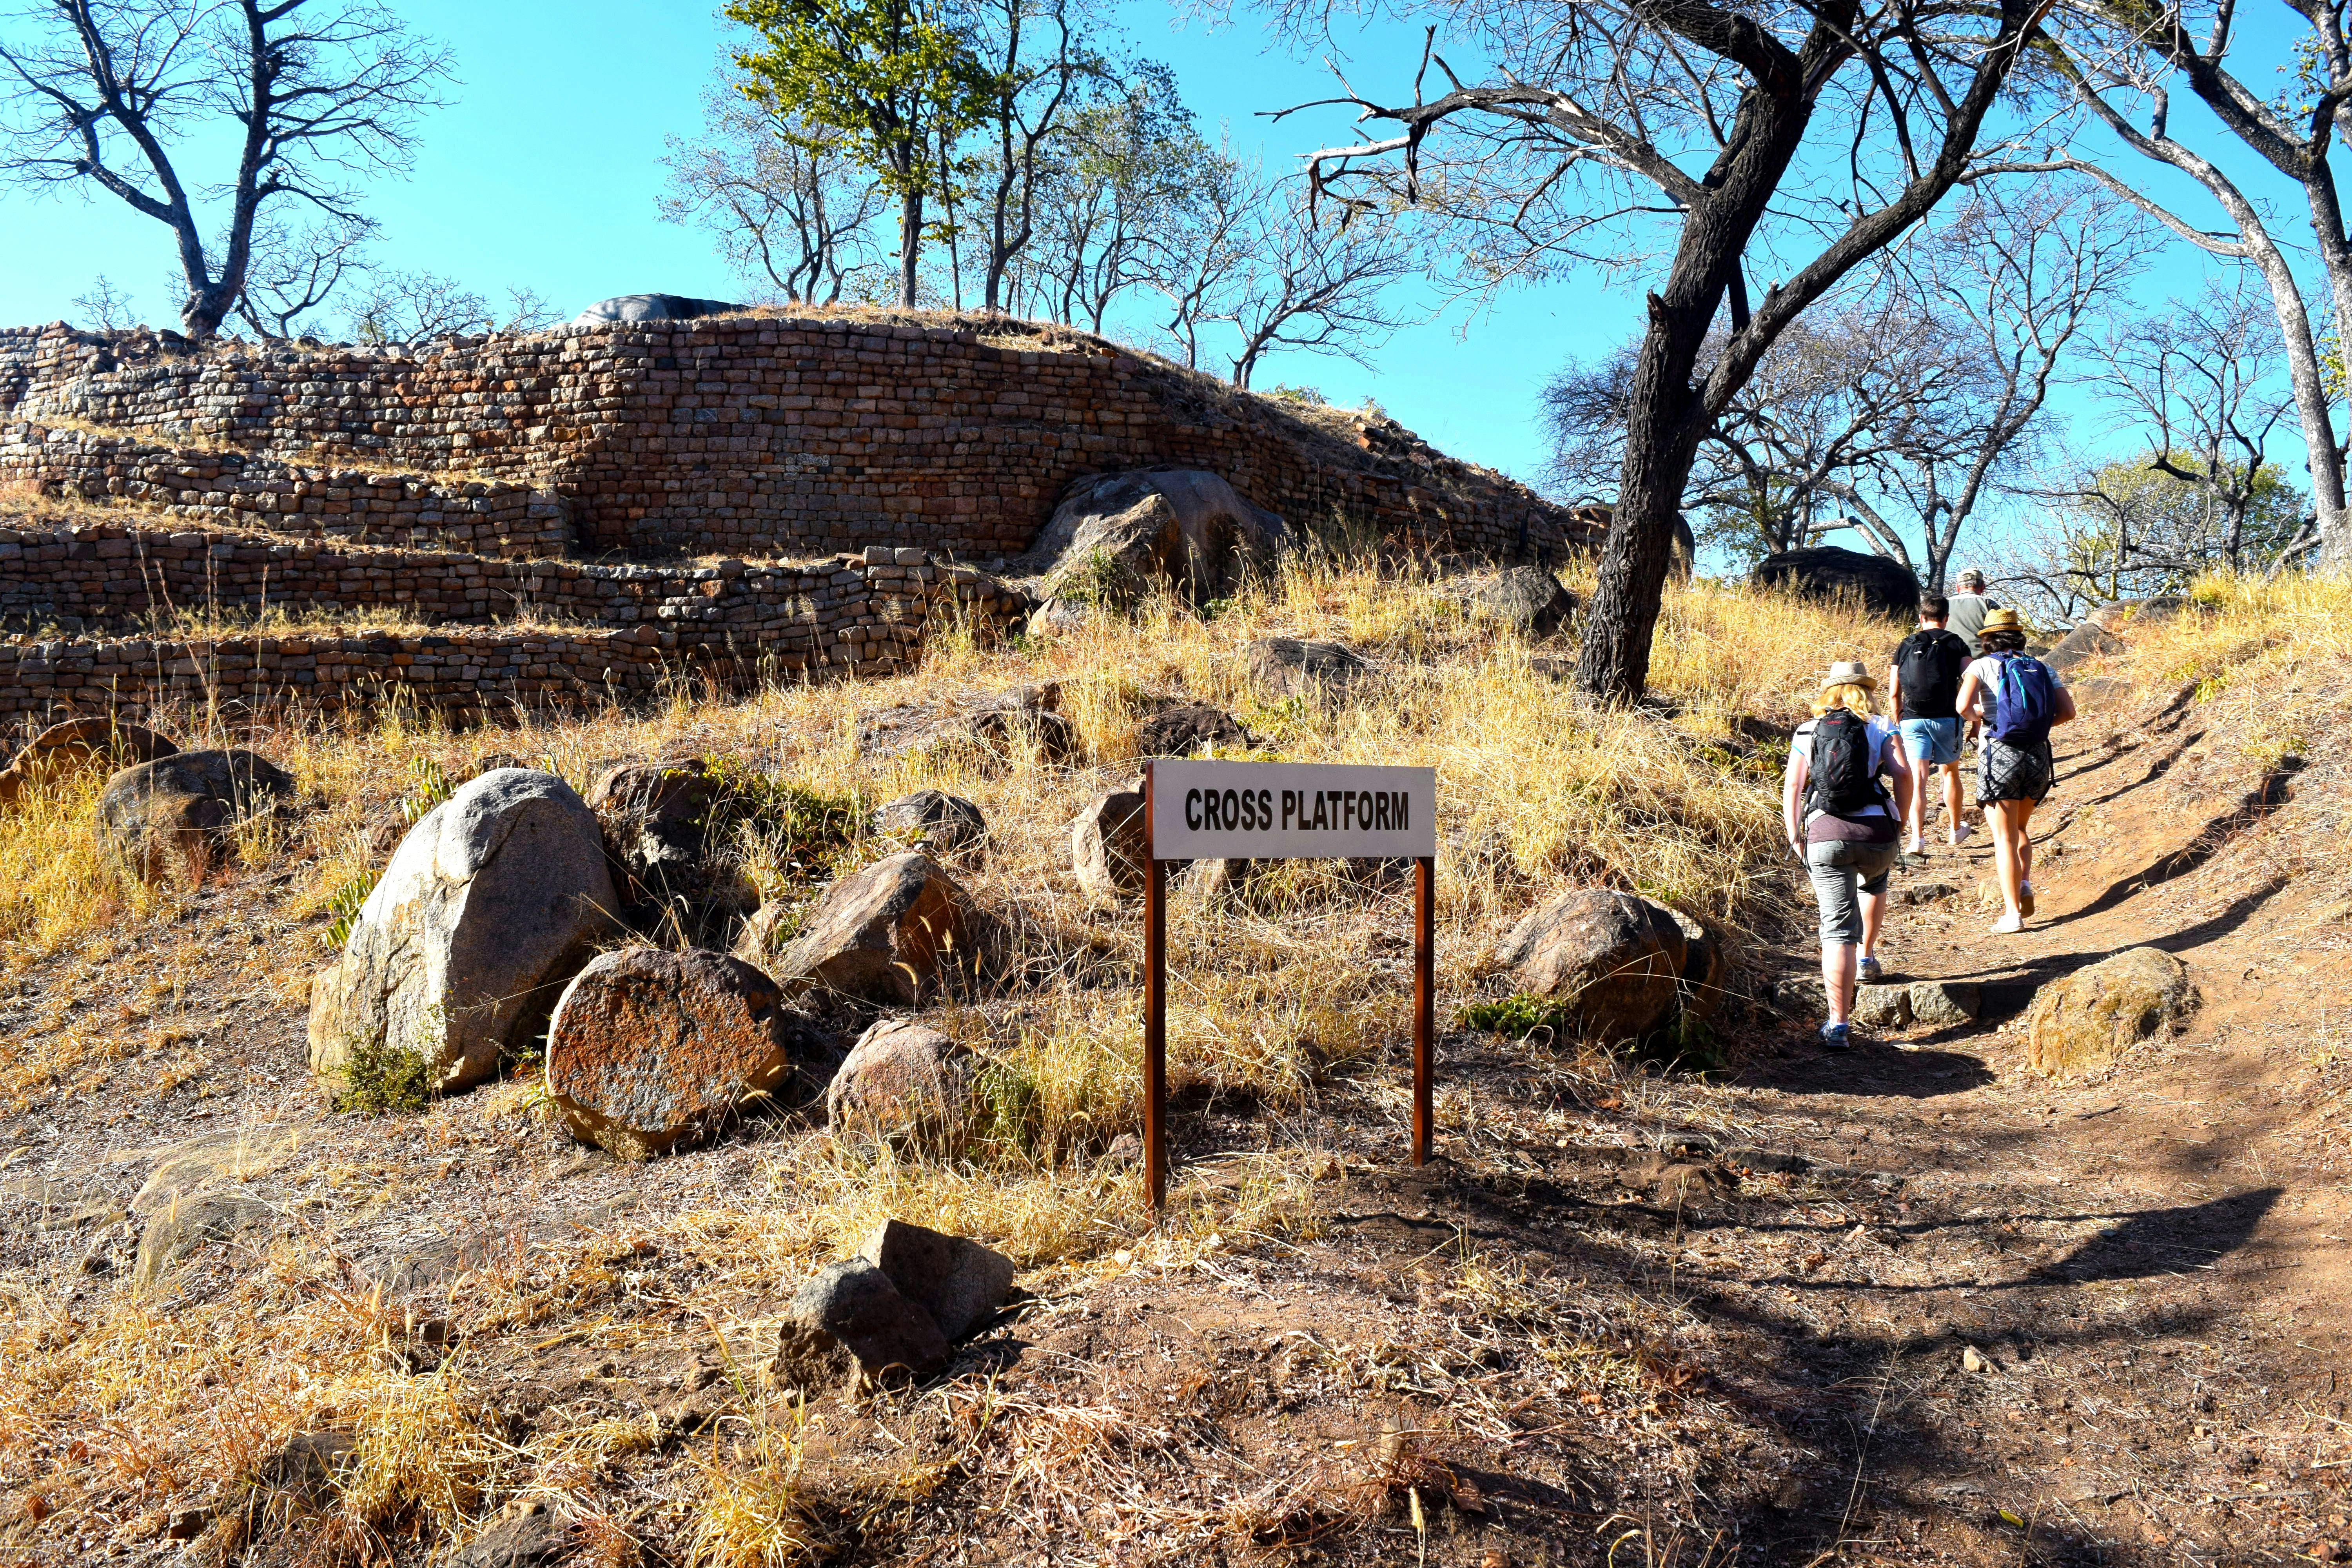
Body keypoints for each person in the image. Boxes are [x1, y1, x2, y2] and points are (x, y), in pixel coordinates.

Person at [1783, 661, 1915, 1051]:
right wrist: (1901, 821)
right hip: (1877, 833)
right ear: (1866, 692)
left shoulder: (1809, 730)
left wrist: (1794, 834)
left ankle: (1838, 1024)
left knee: (1837, 931)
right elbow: (1904, 774)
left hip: (1825, 836)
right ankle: (1867, 957)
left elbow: (1794, 784)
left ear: (1830, 692)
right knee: (1874, 880)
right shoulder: (1881, 725)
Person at [1955, 606, 2076, 934]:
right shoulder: (2042, 667)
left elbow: (1962, 707)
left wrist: (1984, 717)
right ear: (2019, 636)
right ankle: (2024, 883)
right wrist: (2032, 726)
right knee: (2021, 828)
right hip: (2037, 755)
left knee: (2003, 837)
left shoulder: (1981, 666)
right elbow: (2068, 712)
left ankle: (2012, 914)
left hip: (1999, 754)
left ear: (1988, 639)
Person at [1886, 592, 1975, 857]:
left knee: (1919, 779)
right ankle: (1955, 830)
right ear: (1946, 619)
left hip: (1912, 719)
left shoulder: (1905, 645)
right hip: (1948, 717)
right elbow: (1972, 679)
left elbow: (1894, 692)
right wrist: (1974, 717)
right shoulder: (1956, 643)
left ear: (1921, 618)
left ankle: (1917, 839)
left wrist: (1899, 720)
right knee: (1950, 773)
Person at [1946, 569, 1998, 656]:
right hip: (1981, 661)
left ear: (1957, 588)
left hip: (1948, 659)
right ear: (1983, 586)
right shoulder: (1989, 604)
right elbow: (1999, 636)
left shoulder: (1943, 604)